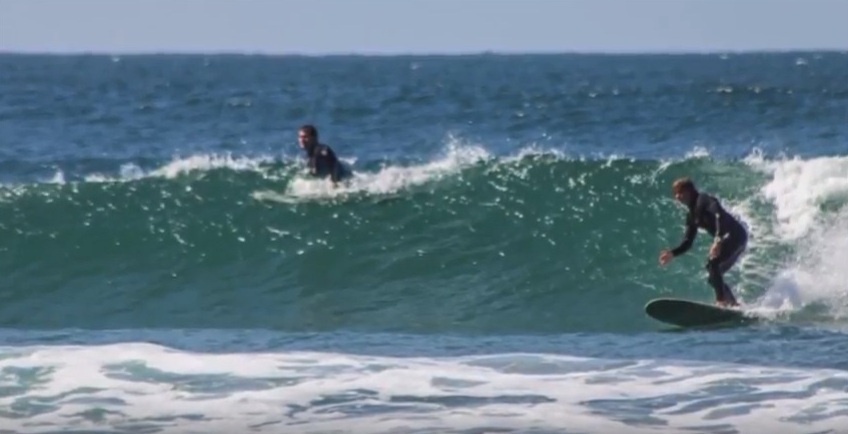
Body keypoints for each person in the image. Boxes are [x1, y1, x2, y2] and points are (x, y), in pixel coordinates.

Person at [659, 177, 748, 307]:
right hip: (728, 239)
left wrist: (717, 239)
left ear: (689, 191)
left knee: (713, 263)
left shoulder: (704, 200)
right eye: (675, 194)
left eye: (680, 192)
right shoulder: (691, 216)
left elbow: (720, 215)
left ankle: (721, 302)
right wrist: (673, 253)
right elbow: (688, 242)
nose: (677, 197)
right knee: (713, 277)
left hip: (736, 236)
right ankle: (733, 304)